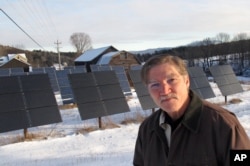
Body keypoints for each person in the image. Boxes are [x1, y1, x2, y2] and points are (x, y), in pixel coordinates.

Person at [133, 54, 250, 166]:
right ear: (148, 90)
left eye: (171, 80)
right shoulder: (147, 129)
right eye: (155, 85)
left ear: (187, 81)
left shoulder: (223, 124)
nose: (164, 91)